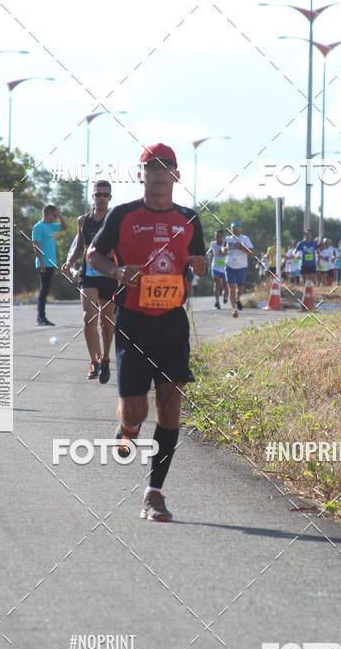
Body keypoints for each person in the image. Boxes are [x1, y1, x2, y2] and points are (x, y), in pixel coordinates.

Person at [87, 142, 207, 522]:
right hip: (134, 322)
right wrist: (116, 272)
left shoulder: (189, 218)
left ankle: (154, 493)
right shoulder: (122, 215)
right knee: (137, 408)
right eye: (151, 167)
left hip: (172, 323)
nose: (158, 173)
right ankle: (128, 425)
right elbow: (93, 254)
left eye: (165, 167)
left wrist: (202, 265)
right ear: (141, 174)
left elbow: (198, 260)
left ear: (176, 175)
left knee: (170, 407)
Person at [61, 180, 116, 382]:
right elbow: (79, 246)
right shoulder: (83, 220)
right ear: (92, 197)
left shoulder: (113, 220)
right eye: (98, 194)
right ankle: (94, 361)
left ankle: (106, 358)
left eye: (105, 195)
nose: (101, 198)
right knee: (88, 317)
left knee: (106, 323)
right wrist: (69, 262)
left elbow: (121, 245)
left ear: (110, 198)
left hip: (109, 275)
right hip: (88, 274)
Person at [31, 204, 67, 326]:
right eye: (54, 215)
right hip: (44, 263)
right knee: (44, 289)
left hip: (51, 263)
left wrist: (60, 215)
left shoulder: (51, 226)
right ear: (47, 214)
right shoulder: (38, 227)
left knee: (45, 289)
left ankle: (41, 317)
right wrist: (41, 262)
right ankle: (40, 318)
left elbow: (64, 227)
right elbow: (36, 245)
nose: (55, 218)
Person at [224, 221, 254, 318]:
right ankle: (234, 309)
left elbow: (251, 252)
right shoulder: (227, 239)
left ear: (241, 229)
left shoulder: (245, 238)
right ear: (230, 229)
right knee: (231, 287)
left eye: (237, 228)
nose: (235, 230)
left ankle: (237, 299)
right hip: (229, 266)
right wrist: (224, 250)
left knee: (240, 287)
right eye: (233, 228)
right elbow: (222, 251)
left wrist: (241, 247)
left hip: (241, 267)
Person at [207, 229, 228, 308]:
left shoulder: (225, 243)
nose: (217, 238)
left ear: (222, 236)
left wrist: (223, 251)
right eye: (216, 236)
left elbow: (224, 252)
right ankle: (217, 302)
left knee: (225, 285)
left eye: (219, 236)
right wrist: (206, 255)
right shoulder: (213, 244)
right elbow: (211, 250)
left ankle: (225, 295)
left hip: (225, 267)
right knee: (216, 283)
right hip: (215, 267)